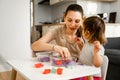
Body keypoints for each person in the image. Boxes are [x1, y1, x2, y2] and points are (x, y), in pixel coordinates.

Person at [76, 16, 107, 80]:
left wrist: (96, 53)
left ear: (88, 32)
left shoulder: (98, 47)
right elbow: (87, 54)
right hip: (83, 72)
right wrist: (81, 46)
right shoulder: (88, 43)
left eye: (83, 29)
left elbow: (97, 64)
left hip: (92, 76)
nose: (82, 31)